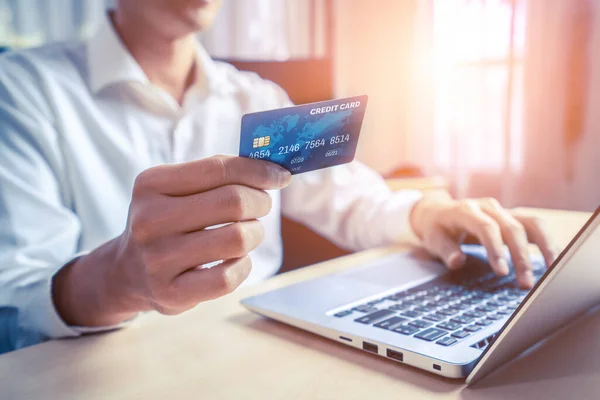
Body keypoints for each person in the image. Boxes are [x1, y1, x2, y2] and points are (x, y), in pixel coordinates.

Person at [0, 0, 558, 351]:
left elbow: (353, 200)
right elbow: (17, 298)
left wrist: (426, 211)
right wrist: (120, 277)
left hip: (255, 351)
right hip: (101, 367)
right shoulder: (22, 89)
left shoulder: (256, 96)